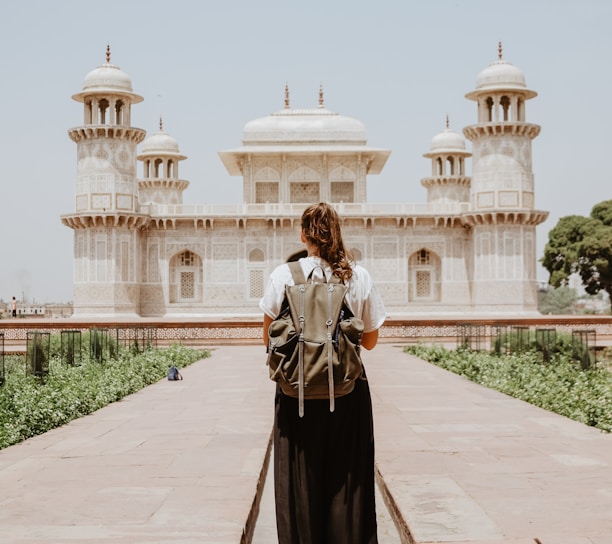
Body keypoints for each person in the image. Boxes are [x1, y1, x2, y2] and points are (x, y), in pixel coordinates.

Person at [260, 202, 386, 544]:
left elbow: (268, 338)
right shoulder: (357, 276)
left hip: (296, 395)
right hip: (347, 392)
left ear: (302, 235)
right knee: (347, 482)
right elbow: (371, 341)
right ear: (338, 233)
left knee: (298, 483)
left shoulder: (283, 275)